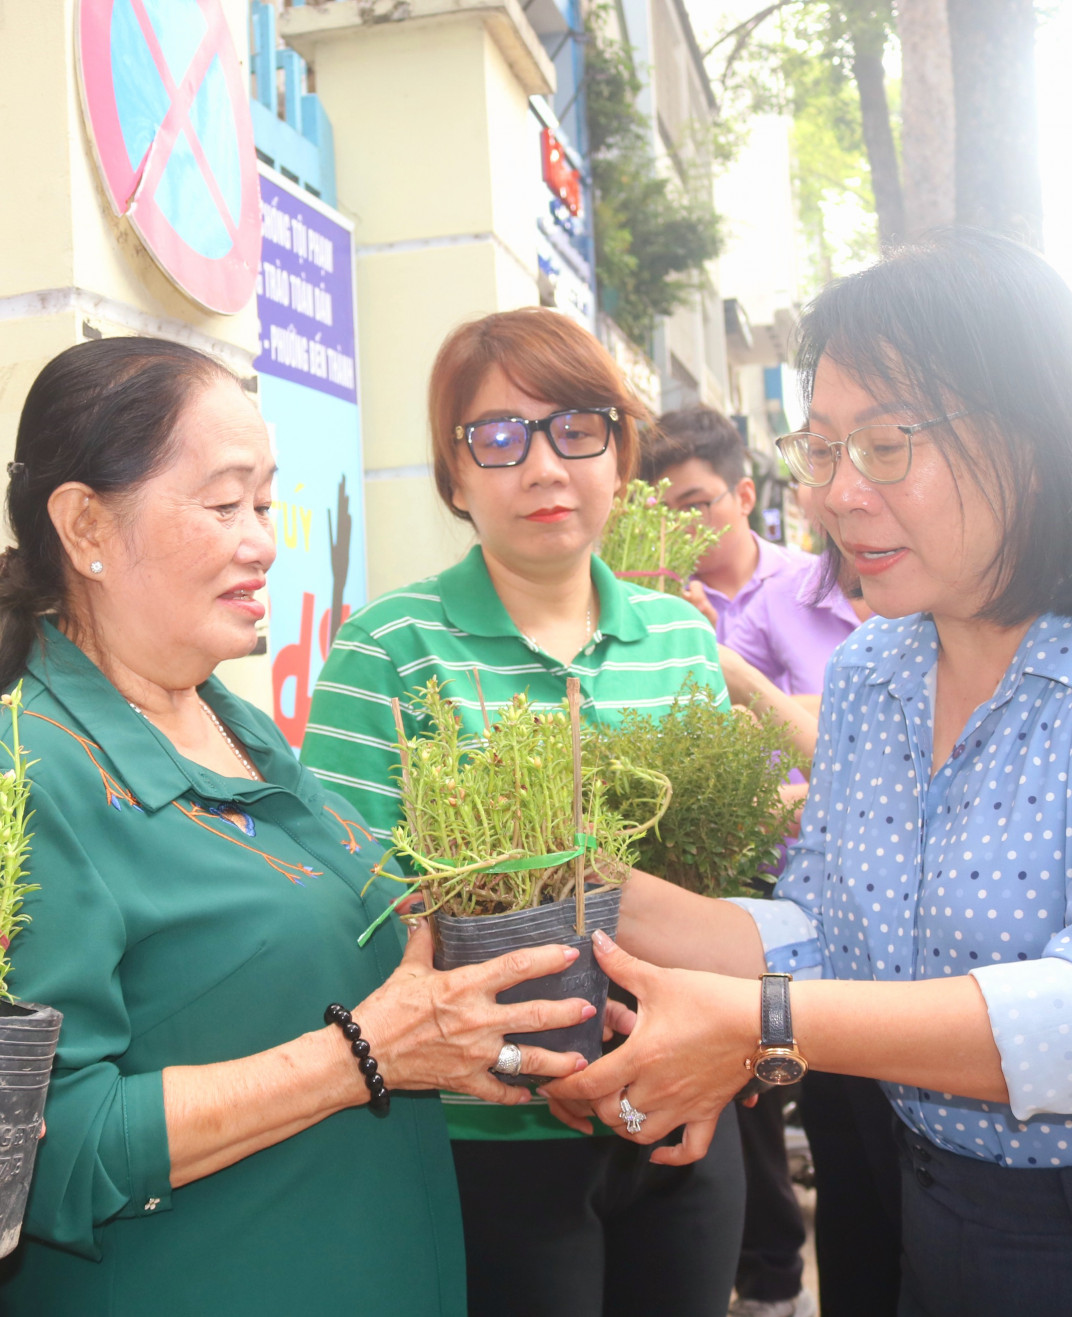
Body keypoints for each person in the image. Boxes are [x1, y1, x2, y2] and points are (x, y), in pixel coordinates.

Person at [548, 230, 1072, 1315]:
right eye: (822, 447)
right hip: (946, 1230)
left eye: (886, 446)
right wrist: (584, 889)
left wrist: (761, 1025)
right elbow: (830, 930)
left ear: (1030, 437)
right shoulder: (874, 670)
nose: (838, 494)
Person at [0, 337, 596, 1316]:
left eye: (265, 503)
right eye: (223, 502)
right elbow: (46, 1152)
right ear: (83, 525)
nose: (262, 541)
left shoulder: (239, 731)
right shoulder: (22, 773)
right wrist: (359, 1053)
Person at [302, 307, 815, 1317]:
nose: (542, 467)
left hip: (670, 1116)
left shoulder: (672, 635)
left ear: (618, 457)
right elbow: (342, 898)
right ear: (453, 476)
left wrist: (715, 1053)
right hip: (484, 1138)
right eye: (496, 436)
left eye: (575, 428)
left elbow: (719, 883)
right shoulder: (389, 648)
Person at [643, 410, 888, 1317]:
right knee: (781, 1113)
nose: (687, 527)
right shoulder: (662, 618)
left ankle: (775, 1279)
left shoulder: (834, 602)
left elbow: (850, 762)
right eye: (666, 512)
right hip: (764, 903)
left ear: (747, 495)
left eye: (699, 502)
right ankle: (770, 1282)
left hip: (842, 924)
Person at [649, 405, 859, 701]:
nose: (677, 526)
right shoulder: (660, 605)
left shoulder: (814, 584)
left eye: (693, 507)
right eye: (661, 513)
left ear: (745, 497)